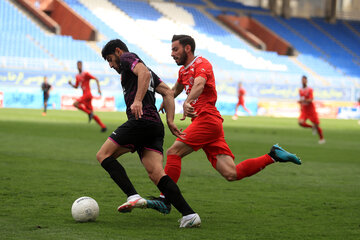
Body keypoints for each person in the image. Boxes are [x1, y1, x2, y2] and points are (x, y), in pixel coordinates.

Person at [151, 35, 301, 211]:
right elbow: (175, 89)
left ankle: (165, 199)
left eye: (175, 49)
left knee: (173, 152)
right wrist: (167, 98)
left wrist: (188, 101)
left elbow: (199, 84)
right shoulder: (183, 71)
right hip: (208, 124)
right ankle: (273, 156)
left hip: (207, 119)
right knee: (231, 173)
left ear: (188, 48)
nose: (172, 54)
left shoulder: (202, 64)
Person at [96, 39, 201, 228]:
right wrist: (169, 121)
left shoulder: (128, 58)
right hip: (154, 127)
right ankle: (189, 214)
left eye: (110, 59)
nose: (111, 65)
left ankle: (133, 195)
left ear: (118, 52)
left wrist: (137, 101)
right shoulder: (144, 71)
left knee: (103, 155)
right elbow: (168, 93)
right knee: (156, 173)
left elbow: (142, 73)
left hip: (140, 121)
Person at [68, 61, 107, 132]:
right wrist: (71, 84)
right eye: (78, 65)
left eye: (80, 65)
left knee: (75, 104)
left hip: (88, 94)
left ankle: (89, 113)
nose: (79, 66)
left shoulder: (86, 74)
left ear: (82, 66)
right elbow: (76, 86)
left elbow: (96, 79)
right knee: (91, 113)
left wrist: (99, 89)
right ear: (77, 66)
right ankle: (103, 126)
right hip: (85, 96)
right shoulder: (77, 76)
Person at [298, 75, 325, 144]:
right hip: (304, 110)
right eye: (302, 80)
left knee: (317, 125)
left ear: (306, 81)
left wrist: (303, 100)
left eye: (304, 80)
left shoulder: (309, 89)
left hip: (311, 110)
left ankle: (322, 138)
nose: (303, 81)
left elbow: (311, 99)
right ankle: (312, 127)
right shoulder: (300, 90)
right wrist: (301, 106)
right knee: (300, 123)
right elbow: (301, 99)